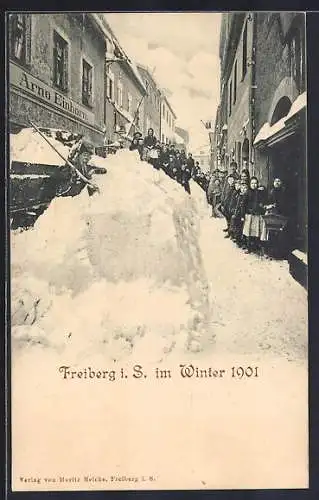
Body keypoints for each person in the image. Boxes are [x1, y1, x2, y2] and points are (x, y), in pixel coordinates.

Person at [242, 176, 266, 253]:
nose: (254, 185)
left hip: (257, 215)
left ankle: (256, 247)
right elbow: (243, 205)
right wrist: (243, 215)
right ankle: (249, 248)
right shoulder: (247, 193)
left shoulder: (259, 193)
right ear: (249, 184)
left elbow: (262, 202)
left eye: (255, 183)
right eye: (252, 183)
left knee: (256, 231)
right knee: (249, 231)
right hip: (249, 215)